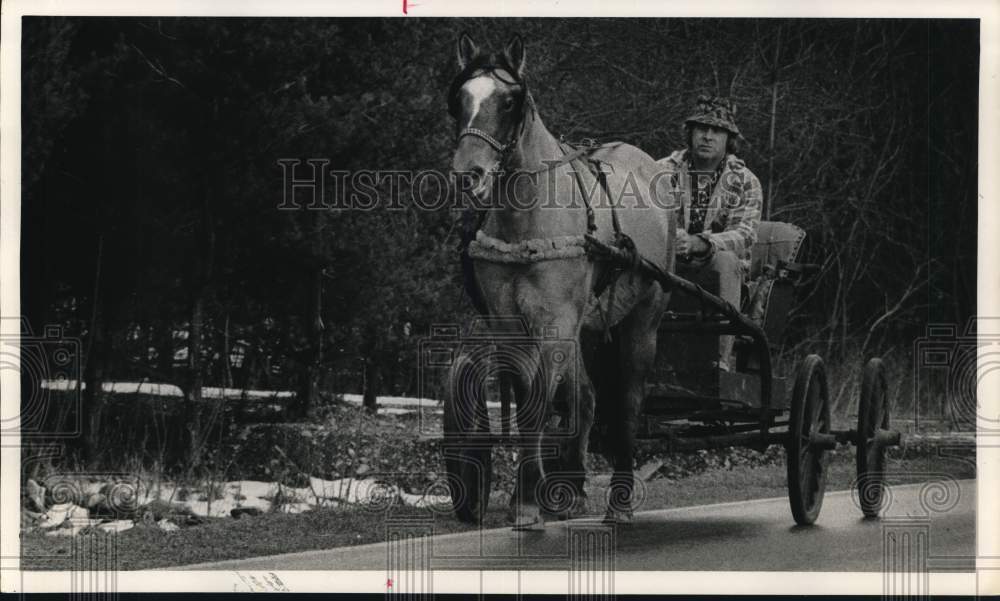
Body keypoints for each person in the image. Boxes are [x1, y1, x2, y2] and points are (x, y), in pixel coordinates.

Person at [657, 95, 763, 370]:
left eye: (716, 130)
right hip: (665, 263)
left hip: (718, 271)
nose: (707, 136)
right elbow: (645, 219)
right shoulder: (659, 171)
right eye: (701, 128)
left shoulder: (745, 181)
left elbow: (744, 235)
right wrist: (672, 239)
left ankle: (719, 362)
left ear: (729, 138)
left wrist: (699, 243)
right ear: (689, 133)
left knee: (726, 261)